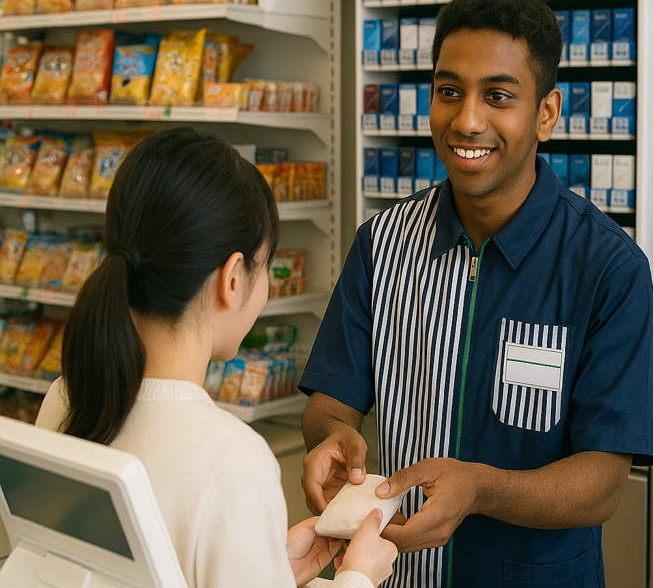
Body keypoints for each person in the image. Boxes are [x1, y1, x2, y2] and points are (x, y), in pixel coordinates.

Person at [299, 0, 653, 587]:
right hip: (395, 572)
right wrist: (333, 440)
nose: (467, 121)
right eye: (449, 92)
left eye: (498, 95)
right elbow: (331, 402)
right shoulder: (381, 244)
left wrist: (481, 489)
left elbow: (601, 483)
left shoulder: (608, 267)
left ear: (546, 113)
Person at [35, 128, 398, 588]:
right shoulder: (234, 458)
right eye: (265, 266)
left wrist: (271, 572)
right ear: (231, 280)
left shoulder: (65, 398)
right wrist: (358, 577)